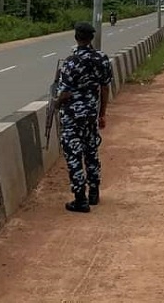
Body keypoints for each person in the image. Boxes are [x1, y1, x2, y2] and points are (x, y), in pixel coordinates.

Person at [53, 21, 114, 213]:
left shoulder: (71, 62)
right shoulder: (102, 59)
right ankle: (94, 192)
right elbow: (105, 87)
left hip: (72, 117)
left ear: (76, 37)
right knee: (91, 153)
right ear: (91, 38)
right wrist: (102, 113)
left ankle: (80, 199)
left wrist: (56, 104)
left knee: (73, 156)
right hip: (90, 116)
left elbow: (64, 93)